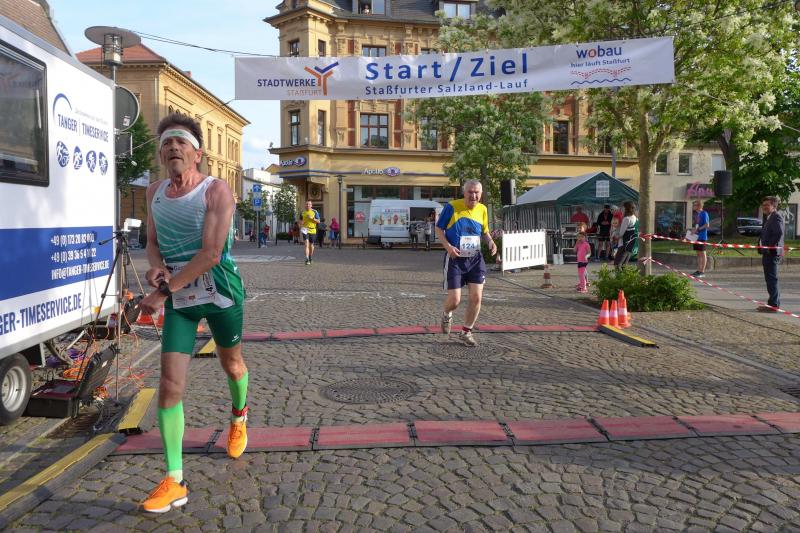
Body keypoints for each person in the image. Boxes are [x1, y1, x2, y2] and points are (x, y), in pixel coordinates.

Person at [137, 114, 248, 513]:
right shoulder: (154, 192)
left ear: (197, 153)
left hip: (220, 292)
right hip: (179, 300)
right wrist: (155, 267)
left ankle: (239, 416)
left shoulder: (216, 190)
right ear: (161, 154)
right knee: (170, 384)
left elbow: (211, 253)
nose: (173, 147)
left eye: (181, 141)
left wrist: (163, 291)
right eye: (167, 143)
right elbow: (152, 242)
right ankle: (174, 480)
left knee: (231, 364)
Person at [436, 179, 497, 347]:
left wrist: (491, 242)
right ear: (464, 192)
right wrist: (448, 247)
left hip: (475, 259)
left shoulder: (483, 209)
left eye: (477, 192)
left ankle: (466, 331)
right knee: (455, 300)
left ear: (481, 194)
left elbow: (484, 232)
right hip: (455, 258)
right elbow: (439, 229)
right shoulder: (452, 207)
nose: (473, 195)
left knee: (476, 297)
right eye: (470, 192)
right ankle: (447, 314)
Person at [758, 196, 784, 312]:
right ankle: (772, 303)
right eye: (763, 205)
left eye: (767, 205)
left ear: (774, 206)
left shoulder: (776, 217)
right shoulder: (769, 217)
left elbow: (779, 232)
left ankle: (774, 305)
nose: (764, 207)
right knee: (770, 279)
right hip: (768, 253)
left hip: (772, 253)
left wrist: (769, 246)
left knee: (772, 279)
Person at [614, 201, 638, 269]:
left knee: (618, 263)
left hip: (624, 243)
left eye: (623, 208)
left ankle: (619, 275)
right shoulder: (635, 217)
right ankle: (624, 275)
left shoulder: (626, 219)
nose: (622, 209)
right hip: (631, 243)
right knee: (624, 264)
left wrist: (615, 236)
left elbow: (621, 233)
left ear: (627, 208)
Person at [691, 200, 709, 277]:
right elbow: (696, 225)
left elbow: (707, 225)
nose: (693, 206)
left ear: (699, 206)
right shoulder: (696, 214)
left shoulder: (704, 213)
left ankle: (702, 272)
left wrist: (698, 229)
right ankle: (698, 270)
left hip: (702, 237)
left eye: (694, 205)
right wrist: (692, 231)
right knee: (698, 254)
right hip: (696, 237)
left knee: (703, 253)